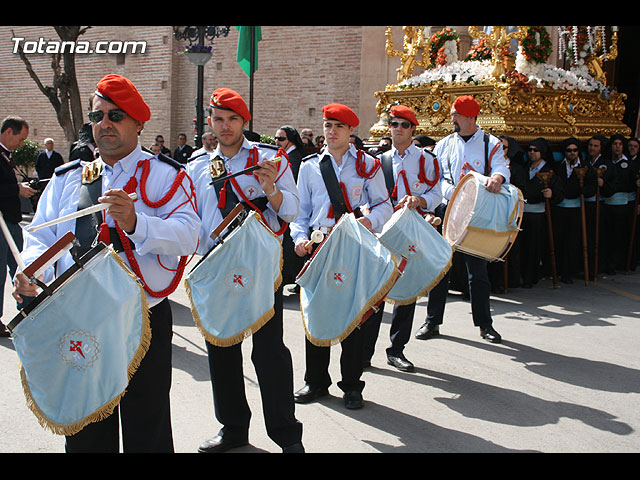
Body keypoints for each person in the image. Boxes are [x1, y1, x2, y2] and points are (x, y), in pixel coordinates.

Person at [13, 74, 201, 452]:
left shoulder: (167, 175)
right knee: (86, 430)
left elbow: (189, 235)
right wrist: (31, 271)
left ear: (138, 123)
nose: (104, 125)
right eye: (97, 118)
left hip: (142, 317)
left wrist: (136, 222)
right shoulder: (68, 179)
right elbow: (39, 238)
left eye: (116, 116)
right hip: (78, 317)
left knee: (147, 427)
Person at [188, 88, 303, 454]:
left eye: (232, 119)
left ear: (245, 122)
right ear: (210, 122)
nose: (225, 126)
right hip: (214, 268)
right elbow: (192, 221)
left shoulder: (271, 159)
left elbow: (293, 212)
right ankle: (233, 427)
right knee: (221, 348)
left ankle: (287, 434)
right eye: (218, 119)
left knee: (268, 352)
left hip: (259, 267)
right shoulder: (196, 167)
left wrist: (271, 189)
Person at [291, 103, 392, 409]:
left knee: (354, 316)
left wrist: (368, 221)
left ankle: (351, 384)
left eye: (337, 126)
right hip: (320, 245)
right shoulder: (310, 166)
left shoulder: (368, 165)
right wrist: (299, 237)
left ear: (351, 131)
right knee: (316, 312)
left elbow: (384, 206)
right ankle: (316, 381)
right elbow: (300, 212)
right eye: (327, 125)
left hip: (353, 245)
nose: (330, 132)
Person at [414, 95, 510, 344]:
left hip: (477, 214)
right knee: (440, 268)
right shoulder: (445, 143)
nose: (452, 119)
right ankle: (432, 321)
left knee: (477, 272)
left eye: (456, 115)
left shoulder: (491, 143)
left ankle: (485, 324)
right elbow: (438, 178)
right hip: (448, 211)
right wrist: (454, 193)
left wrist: (496, 179)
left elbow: (501, 168)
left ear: (470, 117)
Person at [361, 105, 441, 373]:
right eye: (394, 124)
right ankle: (365, 352)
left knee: (406, 294)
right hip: (383, 231)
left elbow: (437, 193)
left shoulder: (427, 160)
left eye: (404, 125)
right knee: (377, 292)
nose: (398, 129)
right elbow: (365, 198)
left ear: (413, 129)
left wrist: (420, 200)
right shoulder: (378, 160)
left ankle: (396, 350)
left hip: (411, 229)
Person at [0, 116, 36, 337]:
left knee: (22, 269)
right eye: (20, 139)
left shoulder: (6, 156)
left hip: (11, 222)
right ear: (8, 132)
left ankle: (29, 310)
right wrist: (17, 189)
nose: (22, 144)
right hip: (1, 223)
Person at [551, 138, 597, 283]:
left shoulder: (585, 167)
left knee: (573, 242)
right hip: (560, 208)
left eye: (575, 150)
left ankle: (569, 272)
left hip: (577, 209)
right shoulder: (558, 166)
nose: (572, 153)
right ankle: (557, 270)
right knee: (559, 239)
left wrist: (582, 190)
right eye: (569, 151)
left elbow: (592, 185)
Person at [518, 138, 563, 287]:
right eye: (529, 150)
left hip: (539, 214)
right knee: (522, 246)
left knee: (534, 247)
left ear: (542, 152)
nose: (532, 153)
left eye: (535, 150)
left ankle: (531, 277)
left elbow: (558, 193)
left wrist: (551, 193)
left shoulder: (549, 171)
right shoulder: (525, 169)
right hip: (524, 212)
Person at [275, 126, 307, 291]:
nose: (277, 142)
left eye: (281, 139)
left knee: (292, 246)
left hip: (292, 207)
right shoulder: (287, 156)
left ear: (291, 140)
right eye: (276, 138)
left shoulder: (294, 158)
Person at [600, 134, 635, 273]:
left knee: (619, 235)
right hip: (607, 203)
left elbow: (628, 184)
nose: (617, 147)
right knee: (606, 235)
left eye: (620, 144)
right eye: (615, 144)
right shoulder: (606, 163)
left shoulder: (628, 165)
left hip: (622, 204)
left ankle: (619, 262)